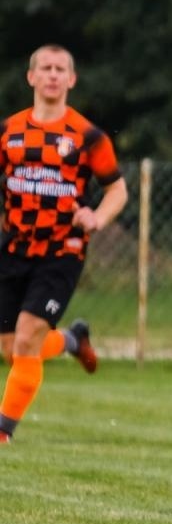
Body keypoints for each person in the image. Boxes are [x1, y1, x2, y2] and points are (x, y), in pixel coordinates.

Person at [0, 46, 127, 444]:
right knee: (12, 347)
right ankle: (72, 339)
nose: (53, 75)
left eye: (60, 69)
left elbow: (117, 190)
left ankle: (3, 432)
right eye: (45, 68)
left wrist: (97, 218)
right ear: (31, 77)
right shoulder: (8, 133)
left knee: (26, 336)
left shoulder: (88, 137)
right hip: (14, 247)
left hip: (63, 250)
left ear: (71, 80)